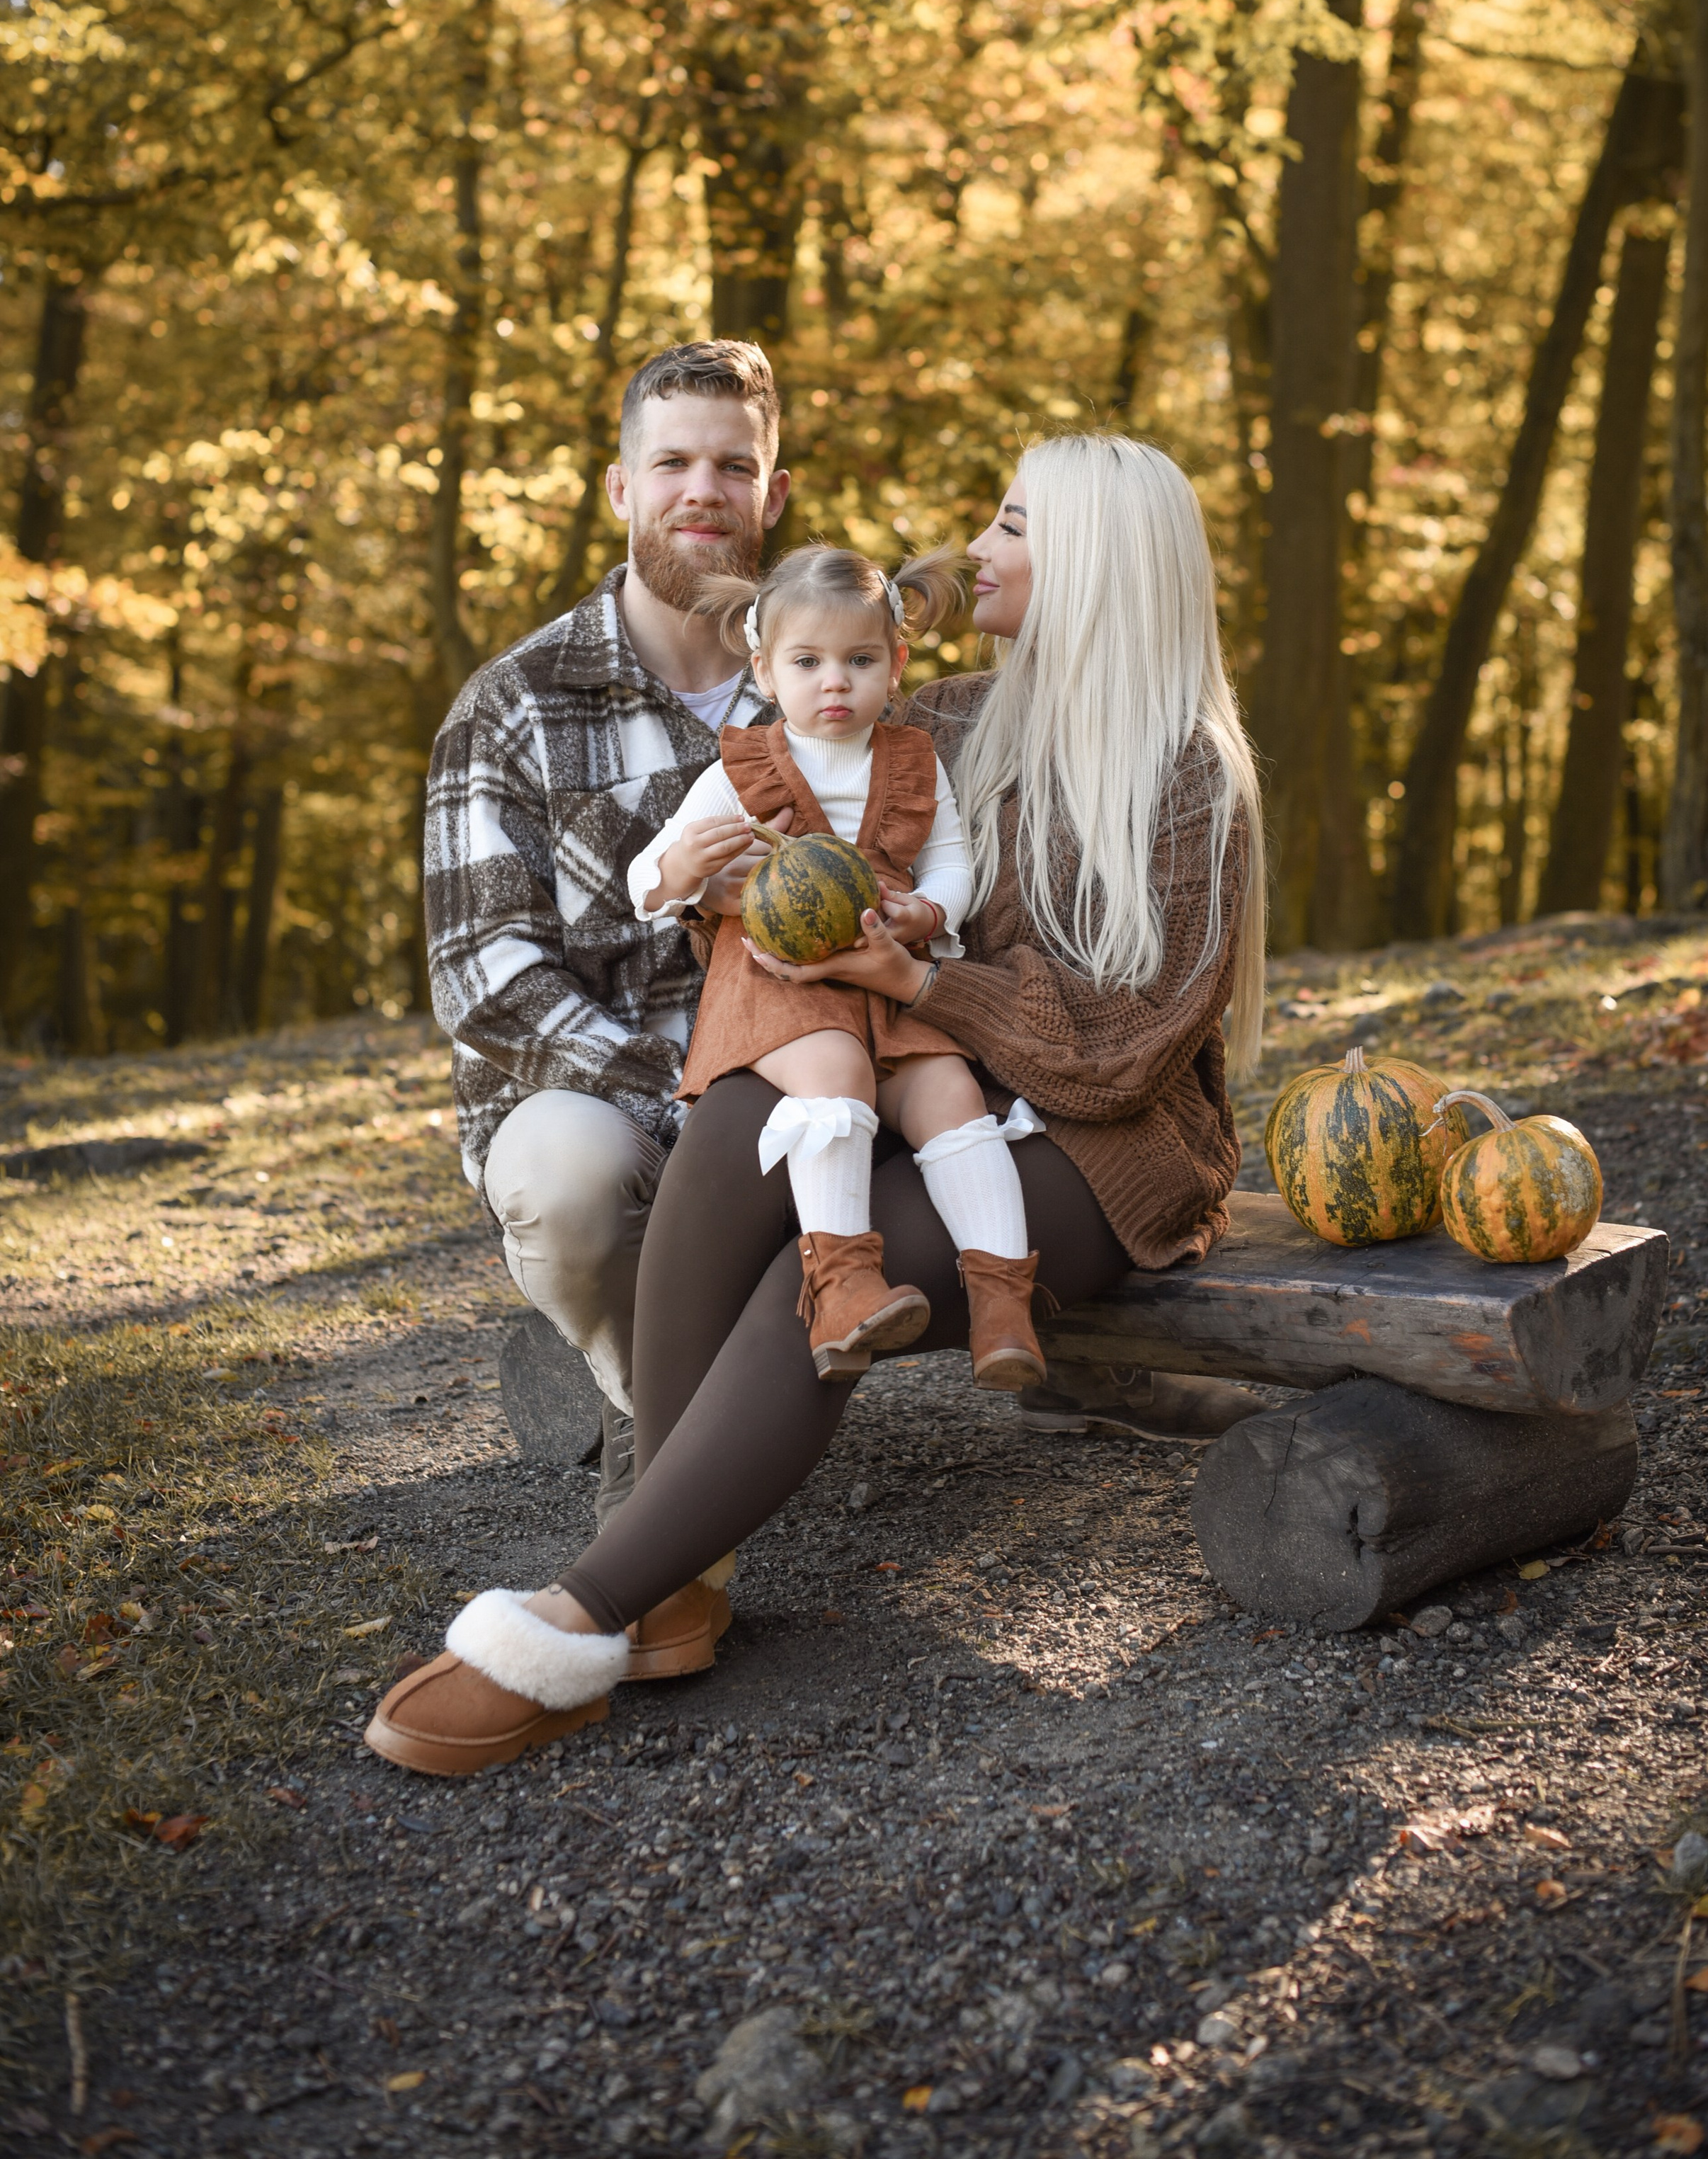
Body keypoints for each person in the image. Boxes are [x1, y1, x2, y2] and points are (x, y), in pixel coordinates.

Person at [368, 435, 1265, 1777]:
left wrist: (915, 971)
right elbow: (799, 818)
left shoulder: (1193, 776)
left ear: (1088, 563)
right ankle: (670, 1576)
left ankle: (580, 1619)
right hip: (928, 1086)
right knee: (747, 1113)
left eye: (1011, 526)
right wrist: (735, 881)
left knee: (826, 1264)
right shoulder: (952, 719)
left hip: (1102, 1152)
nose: (977, 551)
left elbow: (1124, 1058)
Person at [423, 337, 790, 1496]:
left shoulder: (822, 690)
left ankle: (691, 1449)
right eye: (672, 461)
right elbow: (486, 977)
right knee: (568, 1176)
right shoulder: (517, 702)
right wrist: (683, 1102)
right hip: (601, 1108)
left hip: (796, 1089)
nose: (703, 491)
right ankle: (696, 1455)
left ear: (772, 495)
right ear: (621, 489)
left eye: (733, 468)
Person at [627, 541, 1047, 1391]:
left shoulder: (913, 760)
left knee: (953, 1097)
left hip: (888, 969)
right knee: (835, 1071)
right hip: (778, 985)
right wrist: (679, 871)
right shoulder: (740, 769)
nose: (834, 682)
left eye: (858, 661)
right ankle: (842, 1285)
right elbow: (645, 878)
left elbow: (954, 862)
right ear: (764, 669)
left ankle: (1002, 1302)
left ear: (894, 665)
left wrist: (931, 911)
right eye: (807, 661)